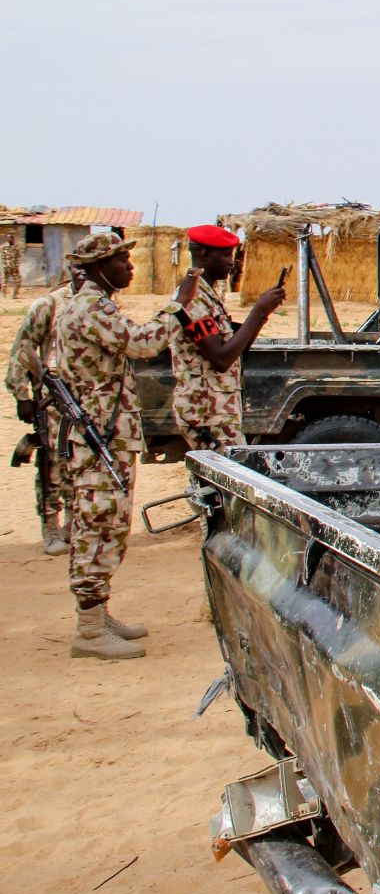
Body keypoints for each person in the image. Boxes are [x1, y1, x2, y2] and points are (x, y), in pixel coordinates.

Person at [55, 232, 201, 661]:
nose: (130, 268)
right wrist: (177, 304)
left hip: (107, 433)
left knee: (108, 525)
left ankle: (98, 615)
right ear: (100, 266)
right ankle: (88, 628)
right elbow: (143, 343)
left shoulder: (95, 304)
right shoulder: (88, 307)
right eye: (122, 261)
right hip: (97, 436)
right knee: (97, 525)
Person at [168, 225, 286, 451]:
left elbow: (235, 351)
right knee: (230, 480)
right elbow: (220, 359)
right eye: (224, 255)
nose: (232, 262)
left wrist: (263, 314)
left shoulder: (208, 296)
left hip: (217, 411)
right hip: (207, 414)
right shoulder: (193, 299)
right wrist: (258, 311)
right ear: (203, 254)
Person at [5, 264, 85, 554]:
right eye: (80, 271)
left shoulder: (97, 304)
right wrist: (21, 395)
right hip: (52, 399)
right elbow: (22, 347)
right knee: (52, 465)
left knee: (80, 464)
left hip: (85, 400)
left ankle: (72, 525)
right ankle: (51, 526)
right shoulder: (50, 304)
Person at [1, 231, 22, 298]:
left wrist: (16, 265)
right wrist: (4, 266)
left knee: (18, 281)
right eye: (9, 237)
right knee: (4, 282)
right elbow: (2, 257)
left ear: (13, 238)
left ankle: (15, 295)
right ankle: (3, 295)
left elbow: (18, 257)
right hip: (6, 267)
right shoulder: (3, 247)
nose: (10, 239)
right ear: (7, 238)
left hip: (14, 268)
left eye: (11, 237)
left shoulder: (16, 247)